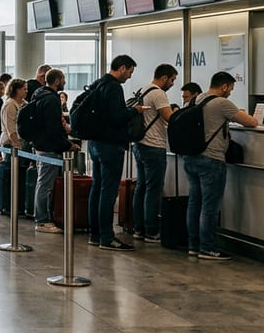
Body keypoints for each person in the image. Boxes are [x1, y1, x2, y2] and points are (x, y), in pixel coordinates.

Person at [184, 72, 260, 260]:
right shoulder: (221, 103)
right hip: (211, 159)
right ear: (224, 86)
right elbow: (251, 122)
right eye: (231, 89)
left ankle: (194, 245)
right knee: (210, 206)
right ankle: (208, 248)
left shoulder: (196, 99)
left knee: (195, 203)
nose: (230, 93)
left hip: (191, 158)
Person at [84, 55, 143, 252]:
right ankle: (107, 237)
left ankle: (94, 234)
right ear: (123, 68)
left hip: (94, 143)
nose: (129, 77)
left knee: (97, 188)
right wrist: (134, 110)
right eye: (130, 72)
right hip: (110, 145)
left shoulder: (98, 83)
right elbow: (116, 117)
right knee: (108, 193)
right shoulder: (114, 87)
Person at [131, 64, 177, 242]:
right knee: (153, 189)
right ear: (164, 78)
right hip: (154, 146)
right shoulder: (158, 93)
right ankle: (151, 231)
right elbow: (169, 117)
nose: (172, 84)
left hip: (139, 144)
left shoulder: (143, 90)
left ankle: (138, 228)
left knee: (141, 187)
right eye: (172, 79)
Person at [30, 69, 72, 234]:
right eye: (63, 79)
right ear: (56, 81)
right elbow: (53, 128)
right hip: (48, 147)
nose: (65, 82)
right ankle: (42, 220)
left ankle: (43, 217)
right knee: (45, 184)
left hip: (40, 144)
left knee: (43, 183)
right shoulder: (51, 99)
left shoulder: (38, 94)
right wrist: (66, 145)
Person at [0, 78, 27, 217]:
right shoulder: (10, 105)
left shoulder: (24, 104)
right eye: (24, 89)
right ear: (17, 90)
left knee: (20, 175)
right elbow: (10, 127)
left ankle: (18, 205)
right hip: (11, 143)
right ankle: (9, 205)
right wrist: (17, 144)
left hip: (21, 143)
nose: (26, 91)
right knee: (12, 175)